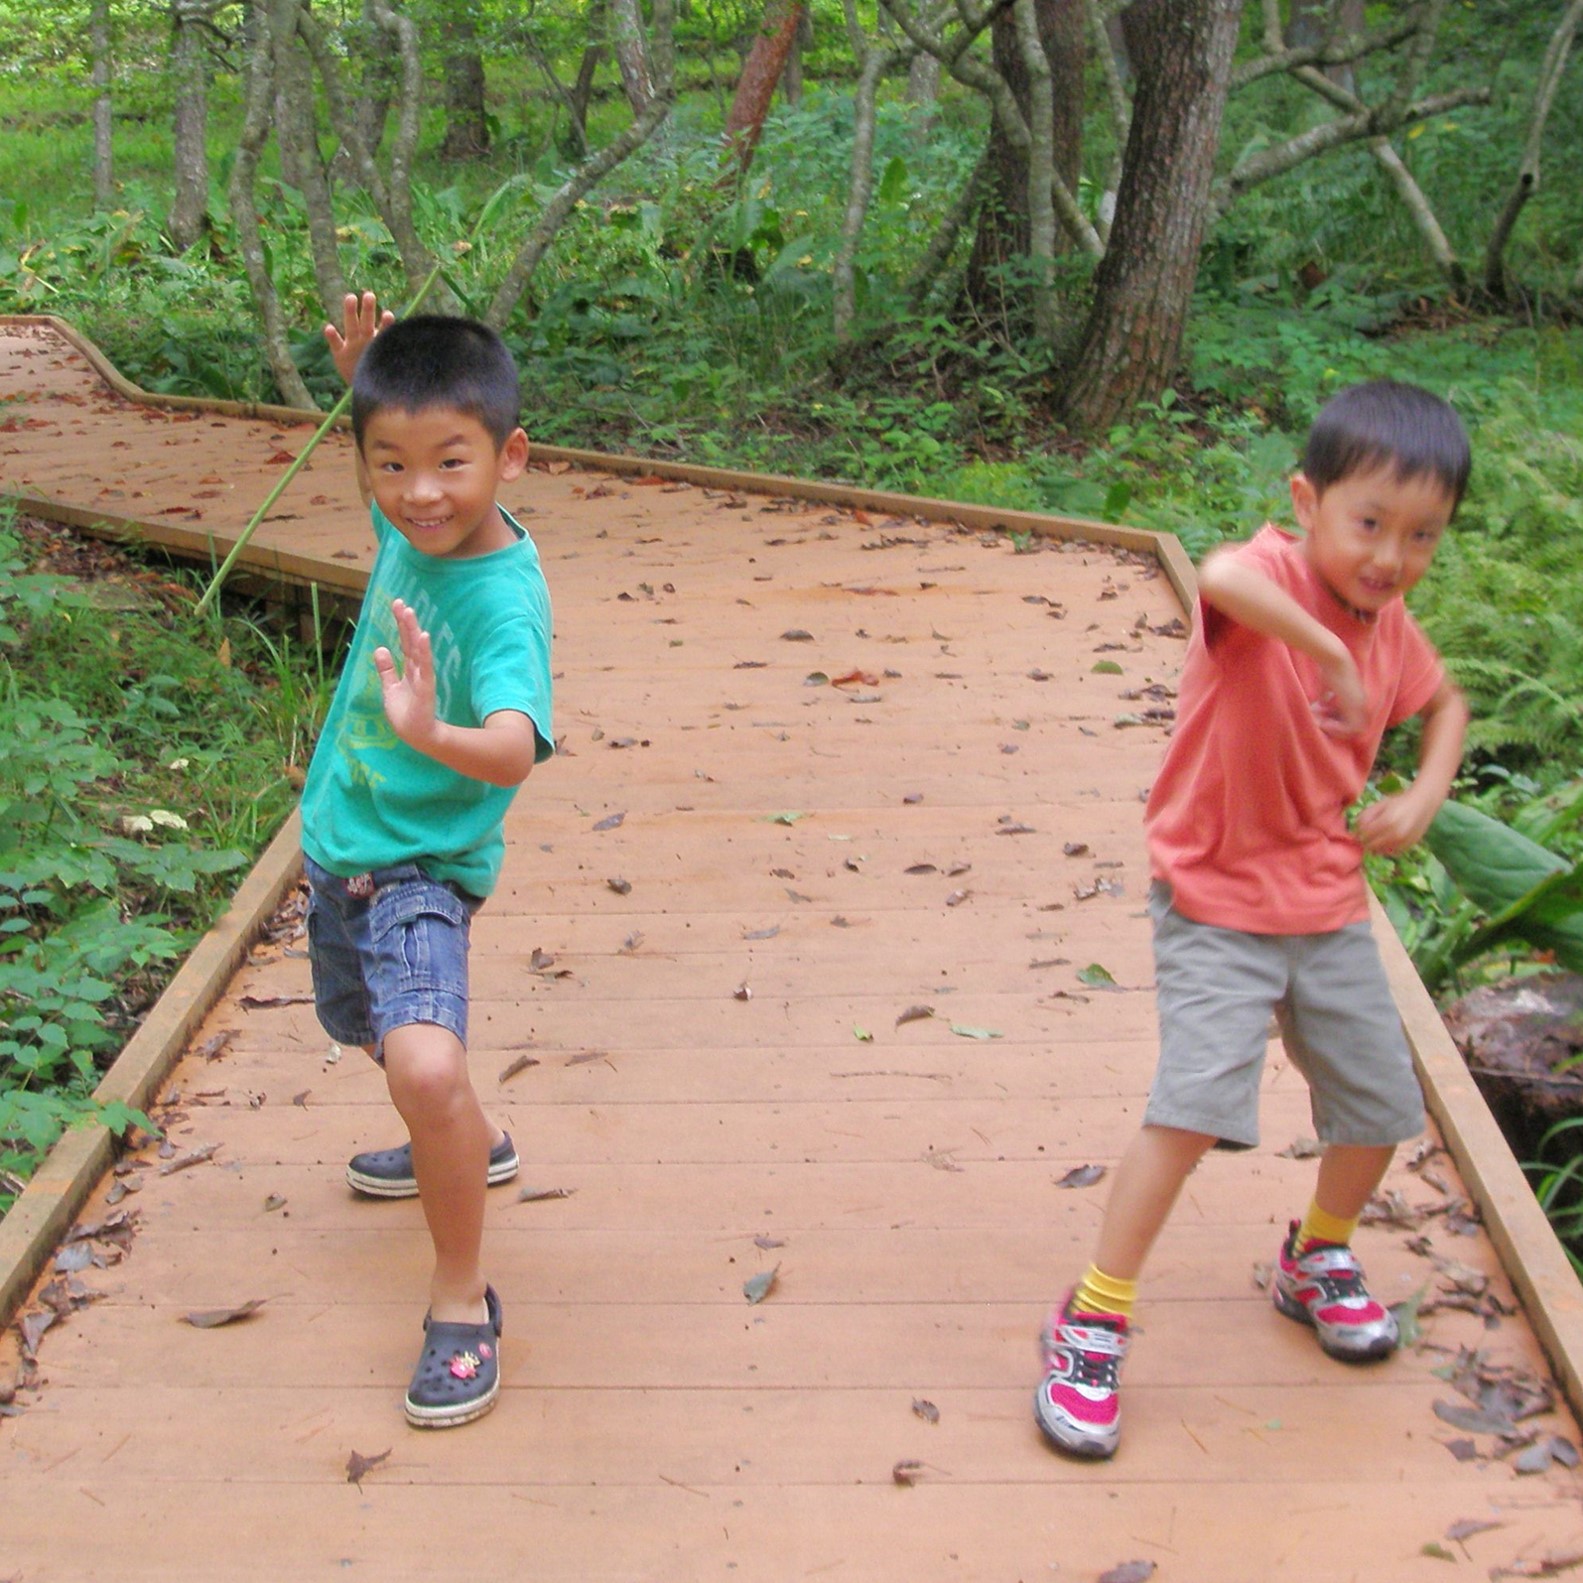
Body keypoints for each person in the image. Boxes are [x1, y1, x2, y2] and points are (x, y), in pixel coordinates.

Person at [1035, 379, 1472, 1460]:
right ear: (1307, 501)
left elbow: (1446, 703)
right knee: (1190, 1110)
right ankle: (1091, 1314)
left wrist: (1422, 792)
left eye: (1420, 536)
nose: (1387, 557)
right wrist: (1324, 653)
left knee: (1376, 1103)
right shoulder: (1271, 577)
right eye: (1367, 523)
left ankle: (1315, 1251)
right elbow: (1221, 573)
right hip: (1216, 897)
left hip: (1322, 900)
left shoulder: (1390, 621)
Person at [299, 292, 554, 1428]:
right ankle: (465, 1141)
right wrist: (364, 376)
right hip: (337, 840)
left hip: (423, 865)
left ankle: (460, 1298)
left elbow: (512, 747)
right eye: (389, 462)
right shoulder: (408, 524)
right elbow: (398, 464)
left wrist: (428, 733)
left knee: (426, 1066)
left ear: (511, 455)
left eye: (452, 460)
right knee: (367, 1030)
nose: (420, 491)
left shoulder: (503, 598)